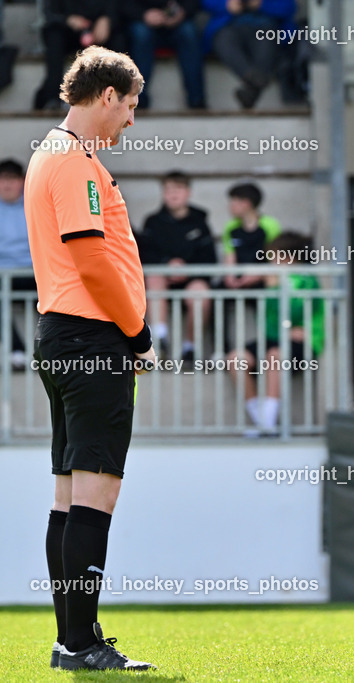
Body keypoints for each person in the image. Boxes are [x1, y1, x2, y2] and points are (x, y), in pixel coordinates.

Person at [24, 45, 155, 671]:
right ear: (107, 96)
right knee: (94, 496)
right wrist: (135, 332)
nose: (130, 120)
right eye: (129, 106)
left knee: (69, 495)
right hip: (92, 338)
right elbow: (91, 257)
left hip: (63, 335)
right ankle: (80, 642)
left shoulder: (50, 154)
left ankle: (72, 639)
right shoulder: (74, 161)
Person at [227, 231, 323, 435]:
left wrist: (274, 288)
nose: (270, 261)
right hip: (274, 337)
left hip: (303, 341)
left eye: (274, 256)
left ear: (289, 257)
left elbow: (292, 312)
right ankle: (263, 421)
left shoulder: (305, 279)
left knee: (274, 357)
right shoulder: (273, 277)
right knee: (236, 359)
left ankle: (268, 422)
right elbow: (271, 322)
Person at [136, 170, 216, 360]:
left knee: (200, 291)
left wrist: (186, 270)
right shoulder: (153, 222)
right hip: (161, 279)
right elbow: (144, 255)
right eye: (168, 189)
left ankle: (190, 347)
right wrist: (167, 264)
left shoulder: (200, 221)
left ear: (188, 192)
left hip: (192, 279)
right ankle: (160, 340)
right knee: (154, 279)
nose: (173, 194)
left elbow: (210, 258)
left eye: (178, 188)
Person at [201, 0, 296, 109]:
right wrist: (226, 5)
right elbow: (205, 2)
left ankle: (250, 91)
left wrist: (262, 4)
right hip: (228, 26)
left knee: (268, 43)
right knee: (223, 41)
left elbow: (289, 7)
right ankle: (255, 80)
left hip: (266, 27)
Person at [34, 0, 120, 110]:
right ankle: (52, 96)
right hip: (66, 32)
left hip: (99, 30)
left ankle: (115, 94)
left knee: (119, 39)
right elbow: (49, 13)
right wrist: (67, 20)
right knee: (54, 36)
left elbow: (119, 8)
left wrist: (107, 19)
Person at [123, 0, 206, 109]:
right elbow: (122, 4)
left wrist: (182, 13)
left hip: (178, 23)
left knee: (189, 33)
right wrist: (143, 14)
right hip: (142, 21)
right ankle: (139, 99)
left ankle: (196, 100)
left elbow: (193, 3)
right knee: (141, 35)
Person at [0, 158, 34, 370]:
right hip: (3, 274)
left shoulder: (35, 204)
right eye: (2, 179)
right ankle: (17, 351)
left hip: (35, 272)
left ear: (22, 181)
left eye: (12, 179)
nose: (7, 185)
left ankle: (54, 351)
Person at [222, 181, 281, 289]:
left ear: (246, 203)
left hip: (262, 276)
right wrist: (230, 278)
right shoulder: (231, 227)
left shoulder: (270, 225)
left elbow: (275, 257)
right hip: (239, 277)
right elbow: (230, 255)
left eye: (233, 202)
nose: (230, 207)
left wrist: (258, 275)